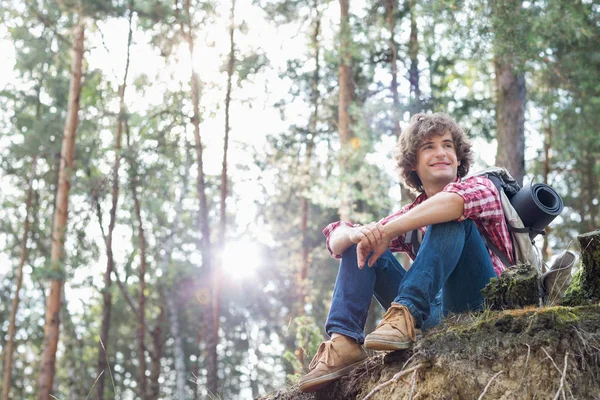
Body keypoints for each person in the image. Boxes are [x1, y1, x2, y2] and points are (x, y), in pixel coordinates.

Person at [298, 113, 514, 392]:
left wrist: (385, 232)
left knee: (449, 215)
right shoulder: (411, 214)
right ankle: (344, 343)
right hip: (433, 314)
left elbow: (452, 203)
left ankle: (407, 313)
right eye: (429, 147)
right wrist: (357, 234)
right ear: (413, 162)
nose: (441, 153)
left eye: (448, 146)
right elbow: (336, 237)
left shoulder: (483, 187)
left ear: (459, 158)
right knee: (362, 241)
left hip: (482, 301)